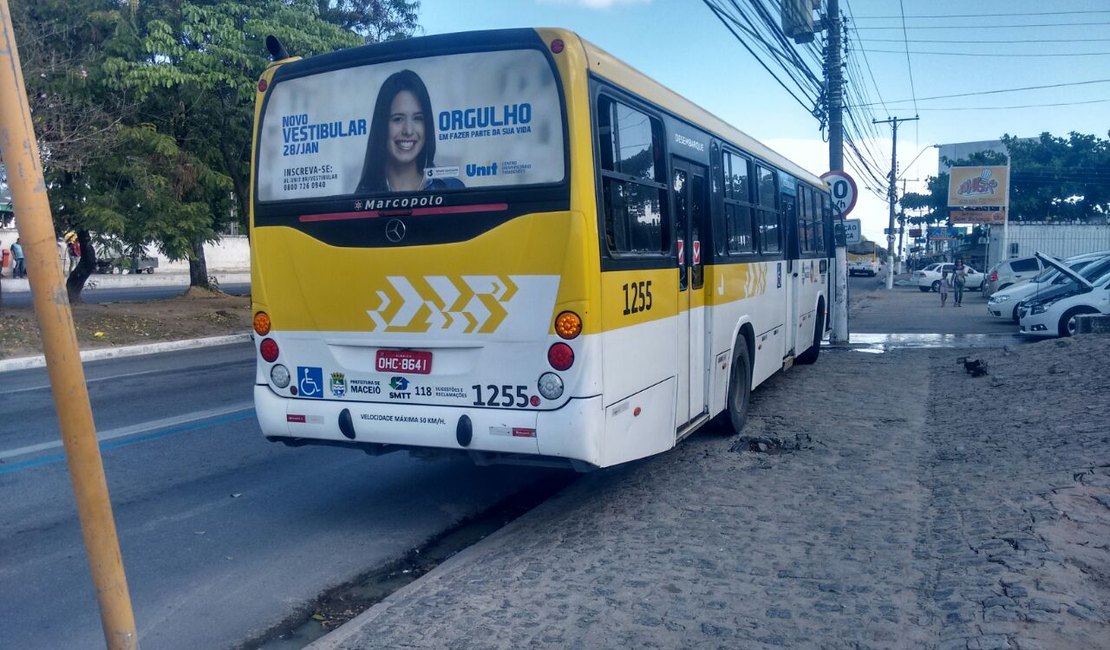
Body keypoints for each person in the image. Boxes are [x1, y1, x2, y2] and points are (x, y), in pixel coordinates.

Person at [355, 70, 464, 193]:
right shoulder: (362, 197)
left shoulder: (452, 188)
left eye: (418, 118)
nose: (408, 130)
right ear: (382, 126)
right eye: (398, 119)